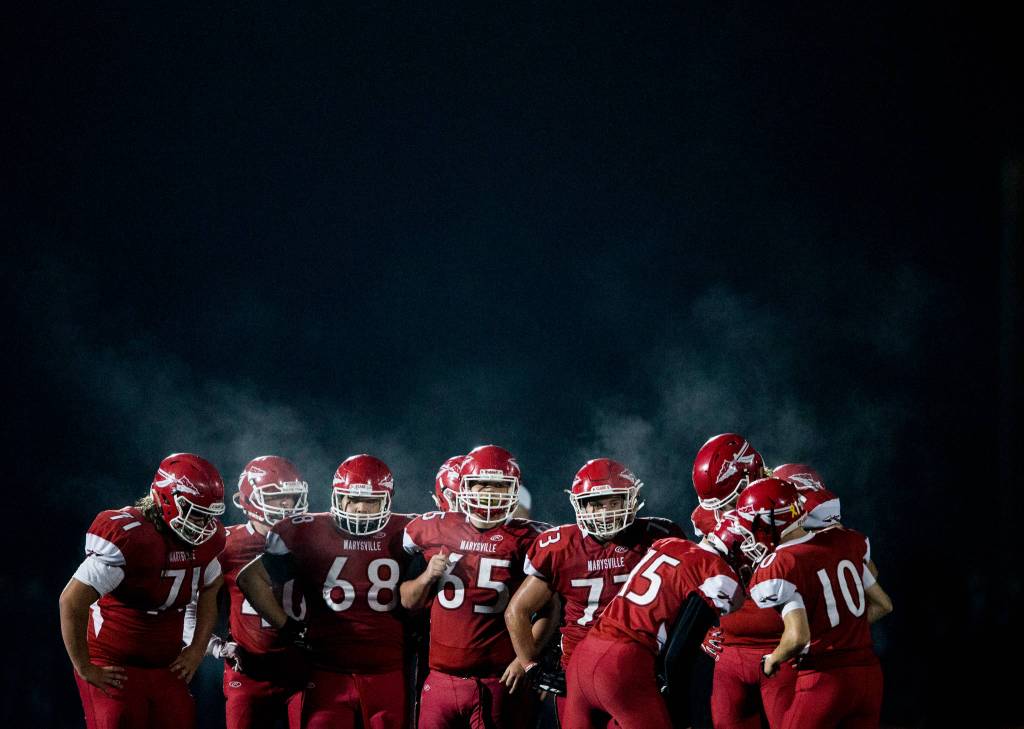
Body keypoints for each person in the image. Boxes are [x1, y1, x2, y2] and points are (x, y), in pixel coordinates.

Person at [237, 454, 416, 729]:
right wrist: (287, 627)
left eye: (370, 502)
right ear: (337, 497)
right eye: (352, 499)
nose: (359, 509)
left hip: (387, 670)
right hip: (327, 671)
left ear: (387, 501)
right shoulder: (308, 530)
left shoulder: (406, 529)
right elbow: (251, 578)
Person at [505, 458, 684, 722]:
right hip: (579, 670)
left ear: (630, 501)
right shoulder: (560, 546)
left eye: (614, 502)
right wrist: (532, 665)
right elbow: (517, 611)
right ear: (581, 505)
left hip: (640, 665)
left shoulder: (657, 537)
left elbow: (684, 601)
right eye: (597, 504)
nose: (606, 513)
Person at [59, 453, 227, 729]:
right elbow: (71, 601)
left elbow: (210, 589)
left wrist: (197, 650)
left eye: (209, 516)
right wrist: (84, 666)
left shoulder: (207, 542)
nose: (204, 526)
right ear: (166, 499)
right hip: (115, 664)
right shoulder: (132, 536)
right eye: (196, 514)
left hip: (165, 664)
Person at [401, 444, 554, 729]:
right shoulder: (435, 529)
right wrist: (428, 577)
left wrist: (526, 660)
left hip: (496, 679)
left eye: (498, 486)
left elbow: (550, 609)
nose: (488, 494)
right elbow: (407, 599)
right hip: (439, 675)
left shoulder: (527, 537)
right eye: (481, 484)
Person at [733, 477, 894, 729]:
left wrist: (772, 660)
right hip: (869, 675)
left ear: (770, 521)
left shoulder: (782, 563)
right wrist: (843, 633)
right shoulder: (847, 541)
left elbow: (797, 637)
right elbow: (883, 604)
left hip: (824, 678)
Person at [561, 522, 746, 729]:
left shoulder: (667, 543)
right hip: (622, 663)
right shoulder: (713, 569)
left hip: (584, 654)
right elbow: (679, 656)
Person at [690, 436, 792, 729]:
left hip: (782, 646)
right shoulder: (708, 518)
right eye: (719, 506)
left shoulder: (789, 500)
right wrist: (702, 627)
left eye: (732, 502)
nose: (726, 514)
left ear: (753, 475)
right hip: (731, 653)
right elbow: (698, 575)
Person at [209, 455, 311, 729]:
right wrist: (215, 646)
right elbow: (190, 603)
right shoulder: (226, 544)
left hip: (303, 668)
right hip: (249, 670)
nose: (288, 504)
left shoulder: (311, 534)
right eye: (277, 497)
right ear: (248, 499)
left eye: (292, 496)